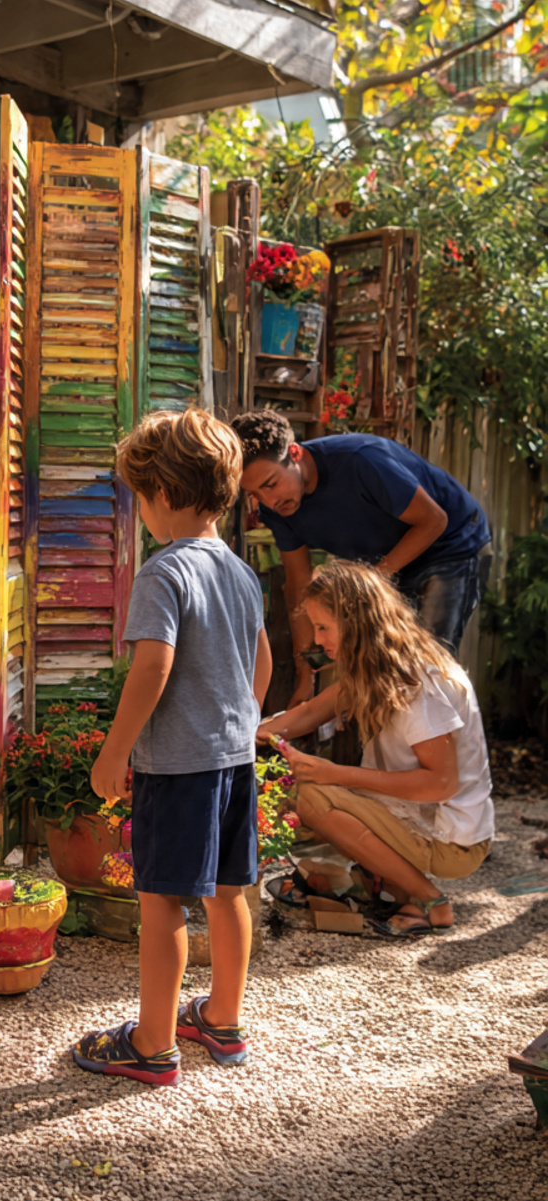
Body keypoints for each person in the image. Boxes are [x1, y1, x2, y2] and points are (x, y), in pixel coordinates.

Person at [72, 408, 270, 1087]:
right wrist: (239, 723)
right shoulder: (240, 573)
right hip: (232, 760)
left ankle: (152, 1043)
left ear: (160, 494)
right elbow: (261, 662)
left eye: (139, 499)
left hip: (179, 769)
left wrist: (113, 751)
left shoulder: (164, 572)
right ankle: (222, 1017)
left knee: (161, 904)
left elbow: (152, 667)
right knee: (230, 894)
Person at [257, 560, 494, 938]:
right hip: (417, 819)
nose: (318, 640)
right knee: (296, 800)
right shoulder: (378, 664)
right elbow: (313, 712)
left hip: (453, 842)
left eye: (323, 627)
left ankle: (429, 901)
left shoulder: (416, 682)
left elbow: (442, 784)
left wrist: (334, 774)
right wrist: (252, 734)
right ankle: (383, 886)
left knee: (314, 797)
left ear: (355, 622)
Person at [231, 410, 490, 706]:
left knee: (426, 666)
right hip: (390, 562)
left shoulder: (361, 460)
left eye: (270, 484)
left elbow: (434, 520)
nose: (269, 502)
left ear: (295, 453)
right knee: (381, 666)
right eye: (254, 493)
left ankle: (443, 748)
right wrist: (306, 675)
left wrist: (368, 583)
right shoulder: (276, 511)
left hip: (452, 543)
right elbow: (298, 586)